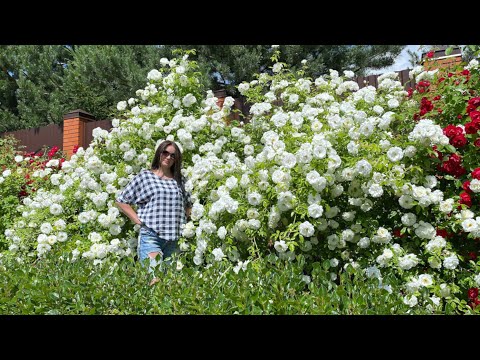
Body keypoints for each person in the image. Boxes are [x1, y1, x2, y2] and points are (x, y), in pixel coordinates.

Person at [115, 140, 192, 285]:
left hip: (174, 240)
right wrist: (137, 220)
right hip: (151, 237)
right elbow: (121, 200)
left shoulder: (180, 180)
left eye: (173, 155)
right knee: (155, 280)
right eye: (165, 153)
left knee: (170, 283)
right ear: (159, 154)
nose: (168, 157)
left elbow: (188, 204)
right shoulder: (145, 177)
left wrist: (183, 221)